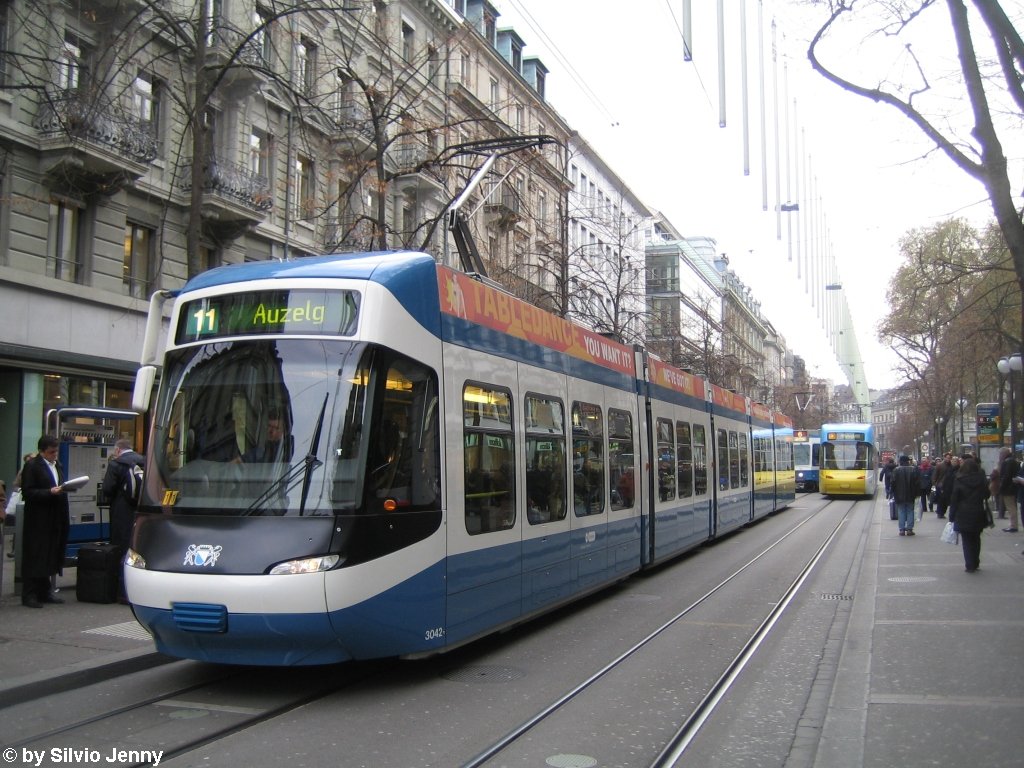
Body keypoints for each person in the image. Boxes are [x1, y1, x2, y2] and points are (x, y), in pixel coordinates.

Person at [19, 436, 71, 608]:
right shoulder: (32, 466)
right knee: (35, 554)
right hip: (38, 517)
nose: (54, 455)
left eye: (56, 451)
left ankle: (44, 590)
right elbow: (28, 492)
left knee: (49, 552)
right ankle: (30, 594)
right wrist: (49, 492)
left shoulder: (57, 465)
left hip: (55, 515)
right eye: (51, 452)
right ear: (42, 451)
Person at [949, 456, 993, 572]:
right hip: (978, 511)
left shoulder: (959, 479)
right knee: (976, 538)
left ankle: (969, 564)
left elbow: (954, 499)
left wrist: (951, 516)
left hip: (963, 512)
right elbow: (987, 495)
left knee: (966, 539)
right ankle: (976, 561)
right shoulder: (982, 479)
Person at [102, 439, 145, 552]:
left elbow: (107, 489)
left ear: (118, 449)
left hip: (121, 509)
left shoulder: (115, 464)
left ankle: (120, 566)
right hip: (142, 507)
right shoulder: (144, 460)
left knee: (120, 542)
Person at [890, 454, 919, 536]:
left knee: (901, 511)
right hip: (911, 494)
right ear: (908, 461)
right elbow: (917, 483)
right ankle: (909, 529)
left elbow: (893, 483)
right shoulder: (913, 470)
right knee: (910, 511)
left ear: (900, 461)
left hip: (899, 494)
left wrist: (891, 493)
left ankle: (902, 529)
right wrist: (917, 494)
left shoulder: (896, 470)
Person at [997, 447, 1020, 532]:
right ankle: (1013, 525)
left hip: (1008, 488)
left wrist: (1001, 487)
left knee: (1010, 507)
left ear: (1003, 454)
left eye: (1000, 454)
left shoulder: (1007, 462)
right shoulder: (1012, 460)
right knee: (1012, 506)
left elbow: (1006, 476)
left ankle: (1013, 526)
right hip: (1013, 486)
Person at [932, 453, 952, 518]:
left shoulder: (951, 465)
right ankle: (940, 512)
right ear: (944, 458)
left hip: (948, 485)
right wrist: (935, 484)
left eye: (949, 458)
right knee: (941, 499)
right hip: (940, 485)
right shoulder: (940, 465)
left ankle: (942, 512)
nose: (948, 459)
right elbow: (935, 475)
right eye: (947, 457)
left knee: (945, 500)